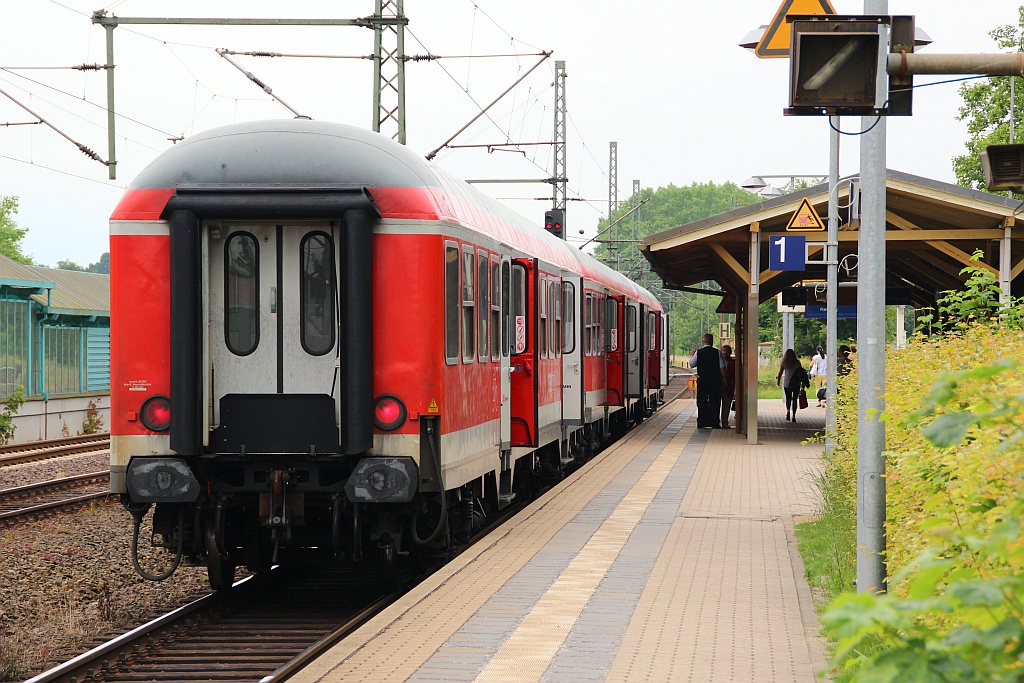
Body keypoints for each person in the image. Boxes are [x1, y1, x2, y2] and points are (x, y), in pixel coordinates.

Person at [690, 333, 725, 429]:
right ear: (712, 341)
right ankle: (714, 422)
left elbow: (692, 364)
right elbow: (722, 367)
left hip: (702, 381)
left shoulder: (699, 352)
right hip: (714, 380)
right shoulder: (717, 352)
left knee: (702, 401)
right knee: (714, 401)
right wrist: (724, 379)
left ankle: (702, 422)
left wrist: (692, 356)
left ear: (704, 341)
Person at [776, 348, 809, 423]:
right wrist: (803, 384)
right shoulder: (797, 362)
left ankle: (788, 411)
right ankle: (794, 415)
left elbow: (780, 372)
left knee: (788, 398)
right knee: (794, 399)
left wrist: (778, 380)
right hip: (796, 383)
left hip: (787, 383)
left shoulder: (784, 363)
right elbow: (801, 373)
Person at [719, 344, 737, 429]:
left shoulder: (733, 363)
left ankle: (725, 422)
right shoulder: (717, 361)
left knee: (726, 405)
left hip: (729, 386)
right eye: (723, 351)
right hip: (719, 385)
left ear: (730, 352)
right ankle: (716, 421)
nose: (725, 353)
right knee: (717, 404)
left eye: (726, 351)